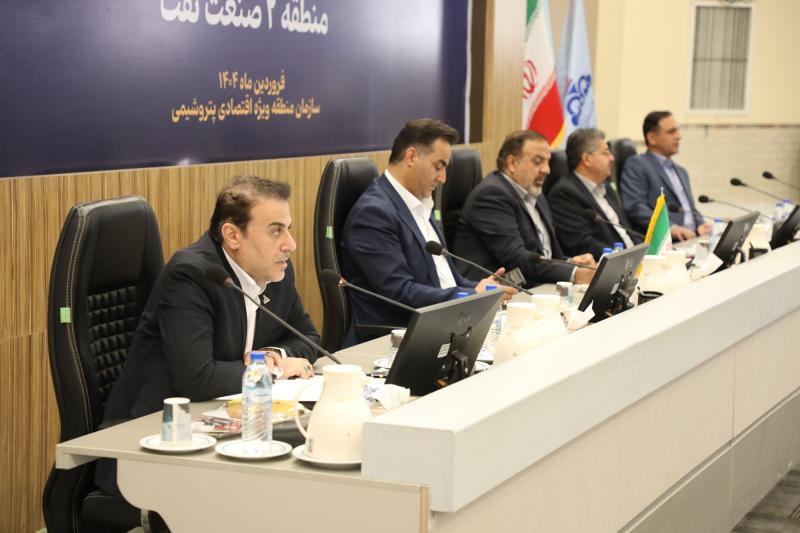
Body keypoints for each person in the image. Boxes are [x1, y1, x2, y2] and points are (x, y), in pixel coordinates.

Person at [104, 176, 320, 422]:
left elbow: (309, 338)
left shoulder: (275, 270)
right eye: (276, 231)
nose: (290, 244)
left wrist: (273, 355)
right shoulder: (191, 276)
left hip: (230, 417)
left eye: (288, 229)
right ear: (233, 235)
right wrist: (270, 370)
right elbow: (197, 378)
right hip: (156, 427)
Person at [340, 118, 515, 343]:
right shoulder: (373, 214)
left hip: (441, 327)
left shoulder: (420, 204)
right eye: (438, 166)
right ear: (411, 156)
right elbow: (400, 293)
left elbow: (448, 280)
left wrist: (484, 289)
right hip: (396, 339)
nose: (443, 178)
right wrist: (471, 296)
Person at [453, 130, 595, 287]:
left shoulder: (536, 193)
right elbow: (517, 259)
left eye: (547, 162)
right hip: (500, 292)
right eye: (538, 161)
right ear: (512, 163)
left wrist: (570, 263)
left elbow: (543, 255)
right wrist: (575, 273)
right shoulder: (491, 195)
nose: (547, 169)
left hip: (536, 287)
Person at [547, 128, 642, 260]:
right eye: (605, 153)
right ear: (587, 159)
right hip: (606, 264)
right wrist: (623, 257)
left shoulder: (606, 187)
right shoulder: (564, 194)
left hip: (632, 259)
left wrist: (643, 250)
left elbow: (626, 229)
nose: (612, 158)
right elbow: (582, 243)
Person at [620, 111, 711, 240]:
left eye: (678, 131)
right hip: (666, 243)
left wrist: (700, 224)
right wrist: (671, 228)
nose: (678, 136)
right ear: (652, 138)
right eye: (671, 132)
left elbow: (689, 209)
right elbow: (635, 206)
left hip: (693, 239)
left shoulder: (681, 171)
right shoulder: (637, 165)